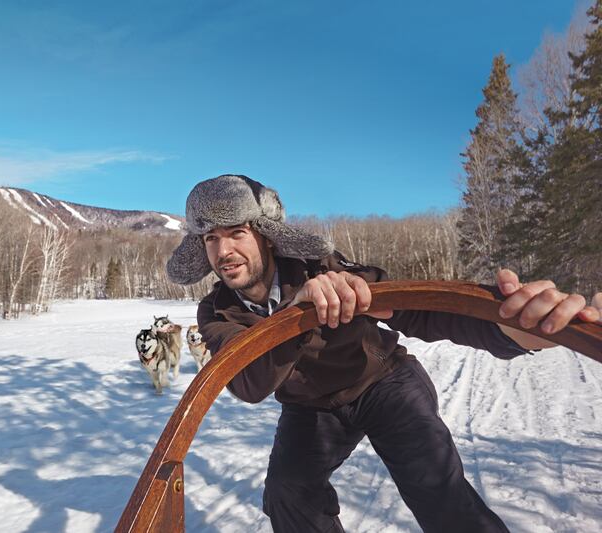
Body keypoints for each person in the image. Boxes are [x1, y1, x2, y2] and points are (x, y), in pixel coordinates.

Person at [166, 174, 602, 533]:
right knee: (287, 494)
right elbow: (248, 382)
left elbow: (422, 310)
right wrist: (297, 313)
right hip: (311, 408)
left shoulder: (328, 272)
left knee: (437, 490)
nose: (224, 252)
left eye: (237, 233)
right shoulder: (216, 310)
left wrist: (518, 329)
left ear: (264, 237)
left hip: (384, 384)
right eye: (210, 238)